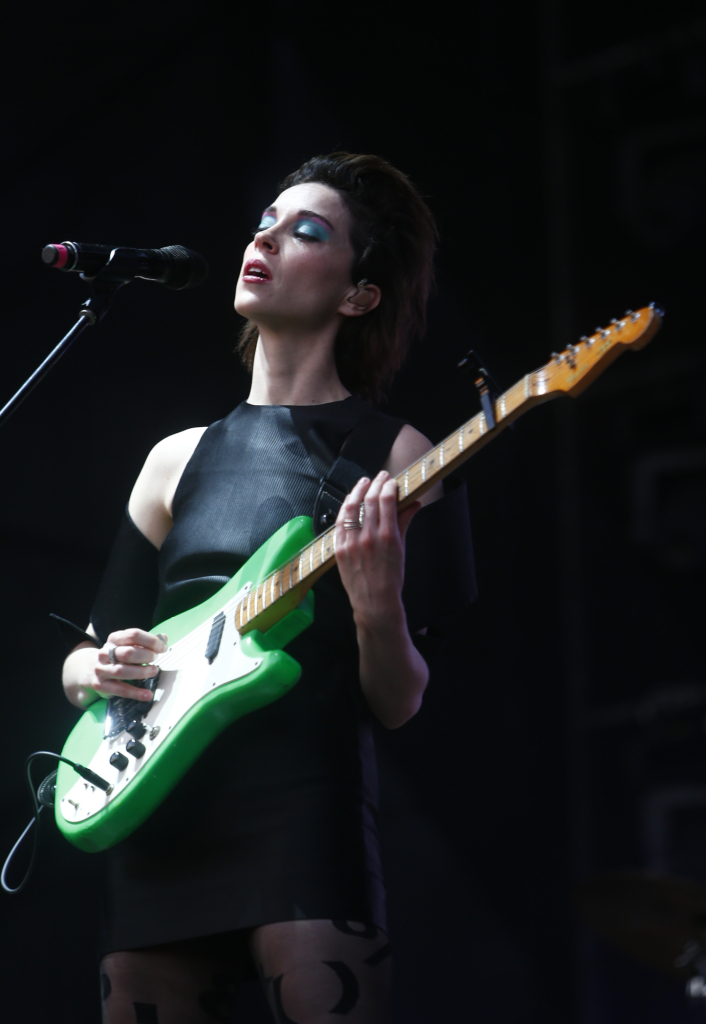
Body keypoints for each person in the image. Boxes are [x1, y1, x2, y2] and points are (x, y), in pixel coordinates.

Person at [59, 153, 475, 1024]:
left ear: (359, 294)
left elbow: (399, 702)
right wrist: (102, 669)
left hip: (300, 807)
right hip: (155, 808)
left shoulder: (399, 459)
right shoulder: (174, 460)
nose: (267, 238)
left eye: (307, 232)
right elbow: (81, 664)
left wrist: (375, 606)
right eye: (269, 221)